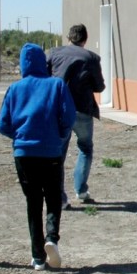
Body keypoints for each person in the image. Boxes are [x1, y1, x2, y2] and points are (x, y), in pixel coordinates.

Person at [0, 43, 76, 270]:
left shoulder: (15, 89)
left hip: (24, 153)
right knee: (53, 197)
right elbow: (68, 117)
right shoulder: (56, 85)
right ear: (44, 62)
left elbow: (3, 124)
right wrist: (58, 135)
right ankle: (51, 238)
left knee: (33, 202)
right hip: (51, 151)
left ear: (23, 63)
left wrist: (20, 136)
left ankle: (38, 257)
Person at [48, 24, 106, 208]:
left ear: (68, 37)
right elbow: (99, 86)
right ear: (85, 39)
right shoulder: (91, 58)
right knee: (85, 148)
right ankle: (81, 189)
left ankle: (60, 198)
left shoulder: (53, 54)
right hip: (82, 109)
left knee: (58, 154)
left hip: (59, 110)